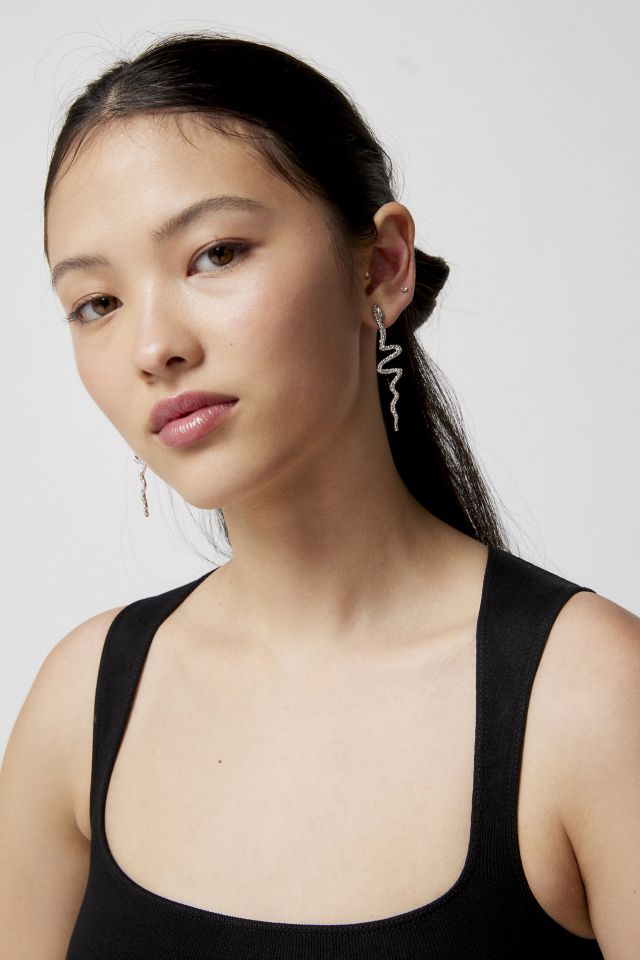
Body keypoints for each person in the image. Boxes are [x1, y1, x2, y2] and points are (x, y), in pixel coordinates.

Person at [0, 31, 637, 960]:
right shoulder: (81, 700)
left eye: (215, 253)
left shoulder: (593, 699)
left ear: (380, 265)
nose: (154, 347)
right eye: (97, 303)